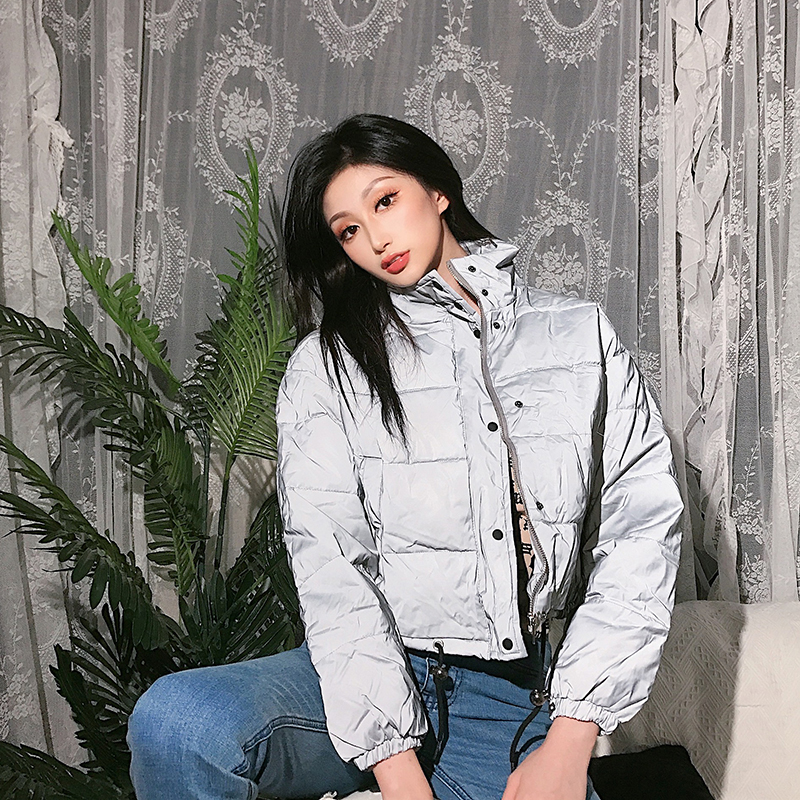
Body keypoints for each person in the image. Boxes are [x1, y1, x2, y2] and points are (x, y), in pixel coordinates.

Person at [127, 114, 684, 800]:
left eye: (385, 201)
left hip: (506, 701)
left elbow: (641, 535)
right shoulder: (327, 367)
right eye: (348, 230)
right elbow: (332, 567)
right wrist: (400, 776)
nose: (375, 239)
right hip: (361, 677)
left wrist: (571, 741)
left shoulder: (578, 338)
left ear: (437, 190)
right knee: (178, 723)